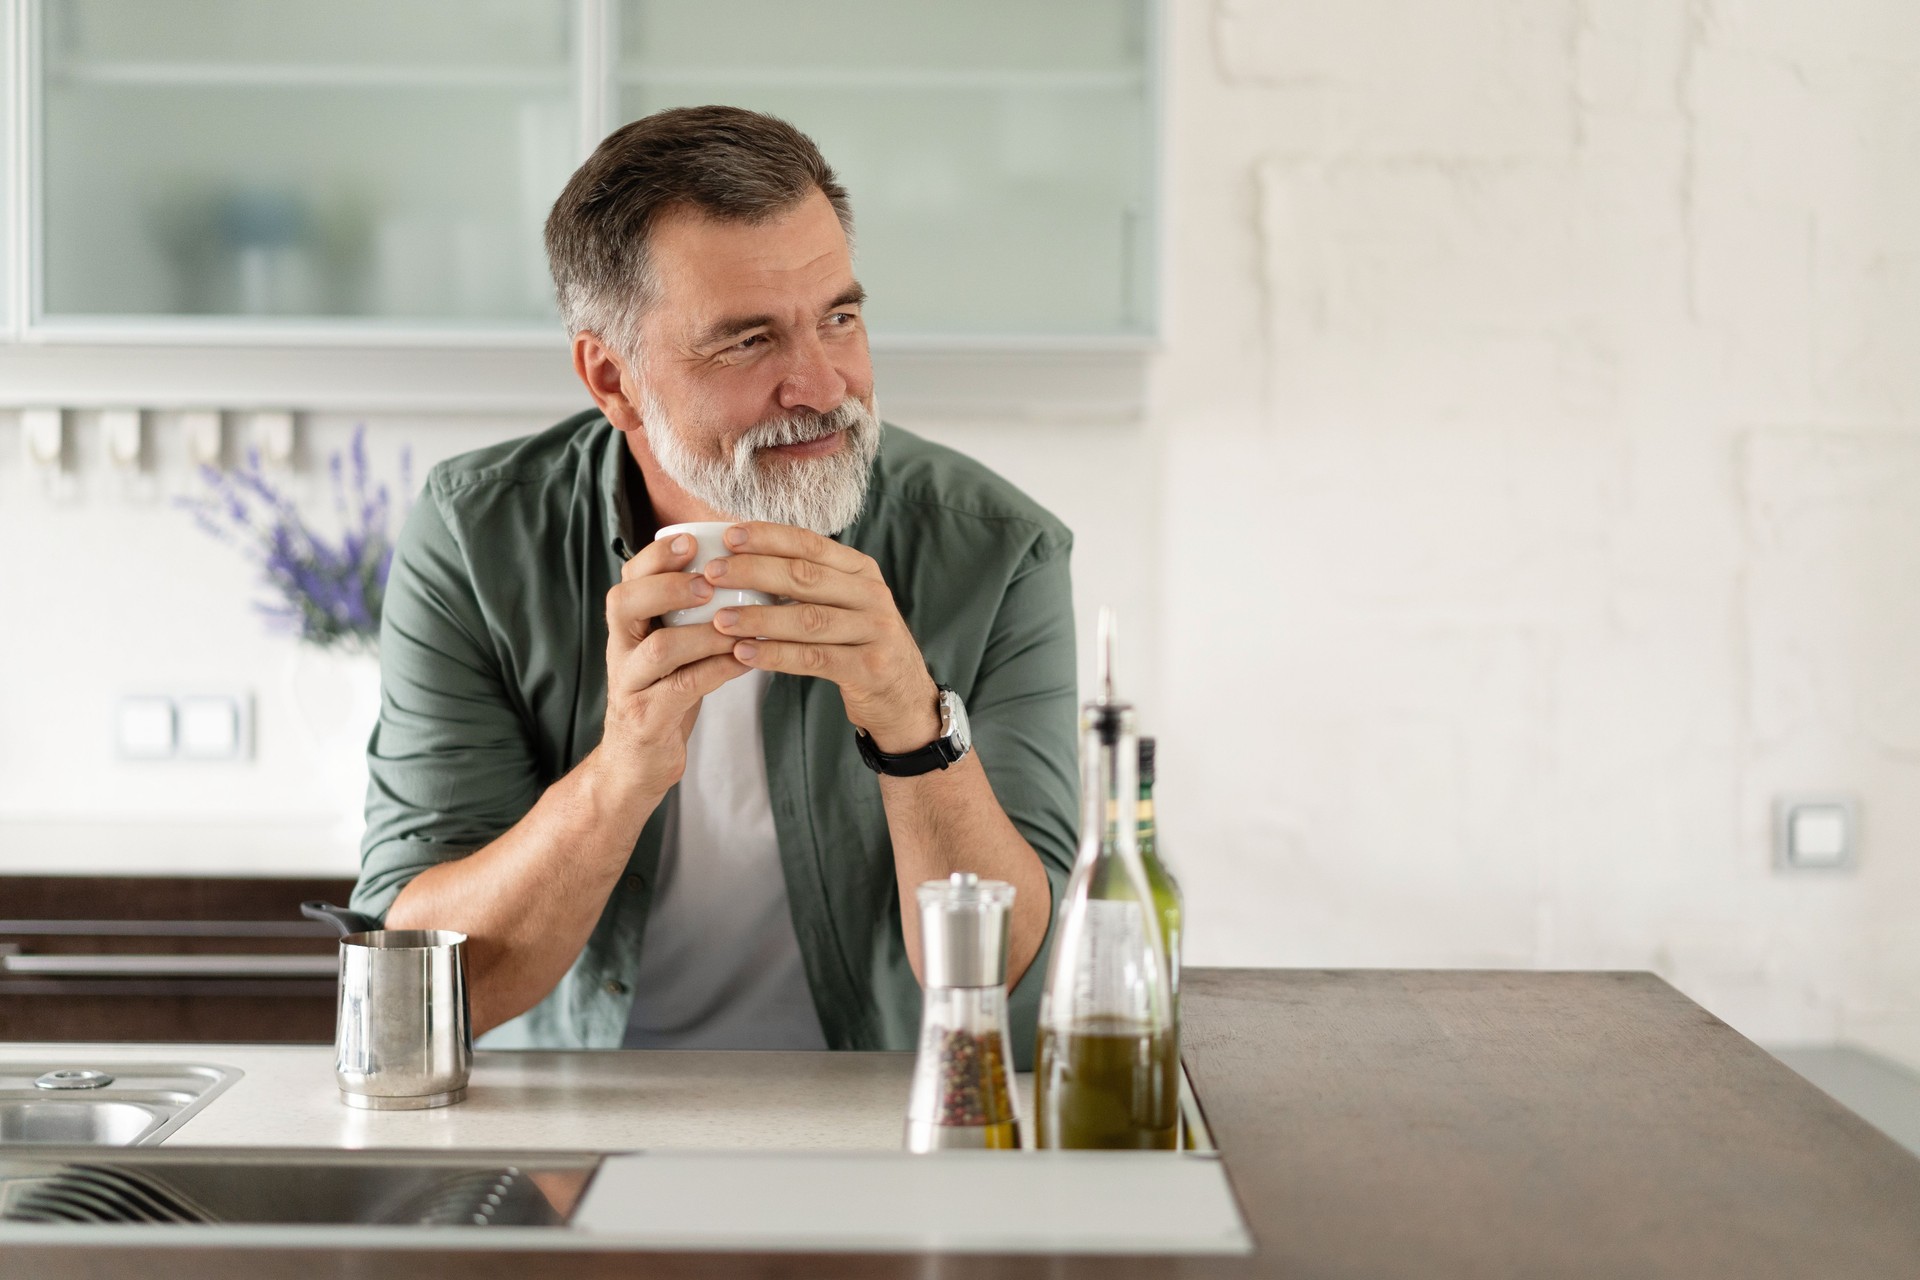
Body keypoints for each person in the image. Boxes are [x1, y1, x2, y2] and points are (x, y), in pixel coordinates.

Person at [349, 106, 1079, 1065]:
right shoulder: (477, 538)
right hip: (578, 1125)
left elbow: (1007, 978)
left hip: (878, 1117)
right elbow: (420, 998)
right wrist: (624, 768)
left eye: (841, 319)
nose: (823, 385)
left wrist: (912, 719)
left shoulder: (998, 549)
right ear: (611, 379)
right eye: (746, 342)